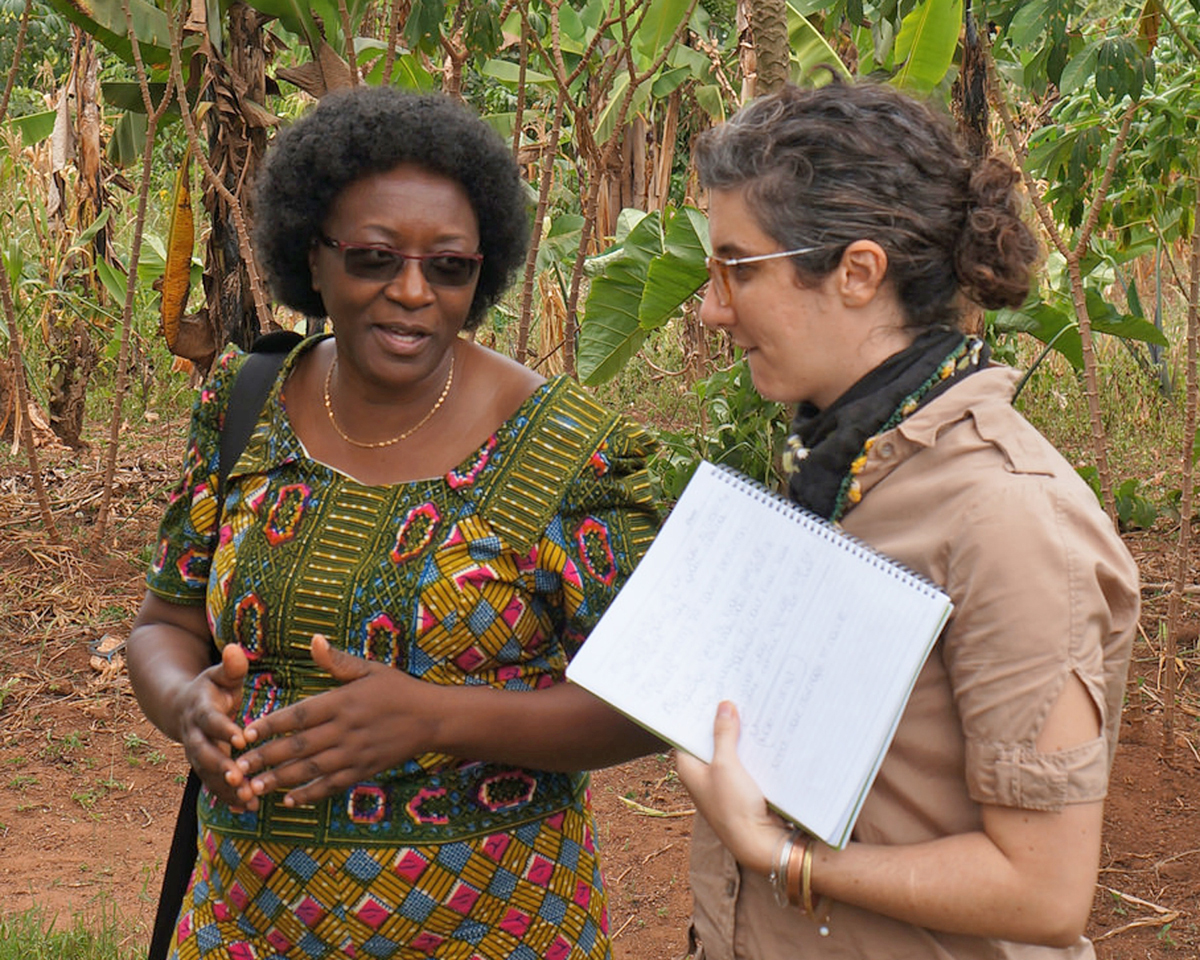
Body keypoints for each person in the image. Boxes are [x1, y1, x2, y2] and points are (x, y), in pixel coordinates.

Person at [128, 85, 661, 960]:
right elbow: (165, 624)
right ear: (315, 253)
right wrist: (185, 701)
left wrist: (439, 719)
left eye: (449, 268)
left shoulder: (571, 450)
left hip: (492, 926)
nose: (412, 292)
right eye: (375, 258)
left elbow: (648, 705)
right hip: (245, 925)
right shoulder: (244, 403)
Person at [674, 81, 1140, 960]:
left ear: (857, 271)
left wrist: (777, 855)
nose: (712, 308)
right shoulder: (842, 459)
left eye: (738, 268)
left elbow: (1044, 888)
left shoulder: (1008, 517)